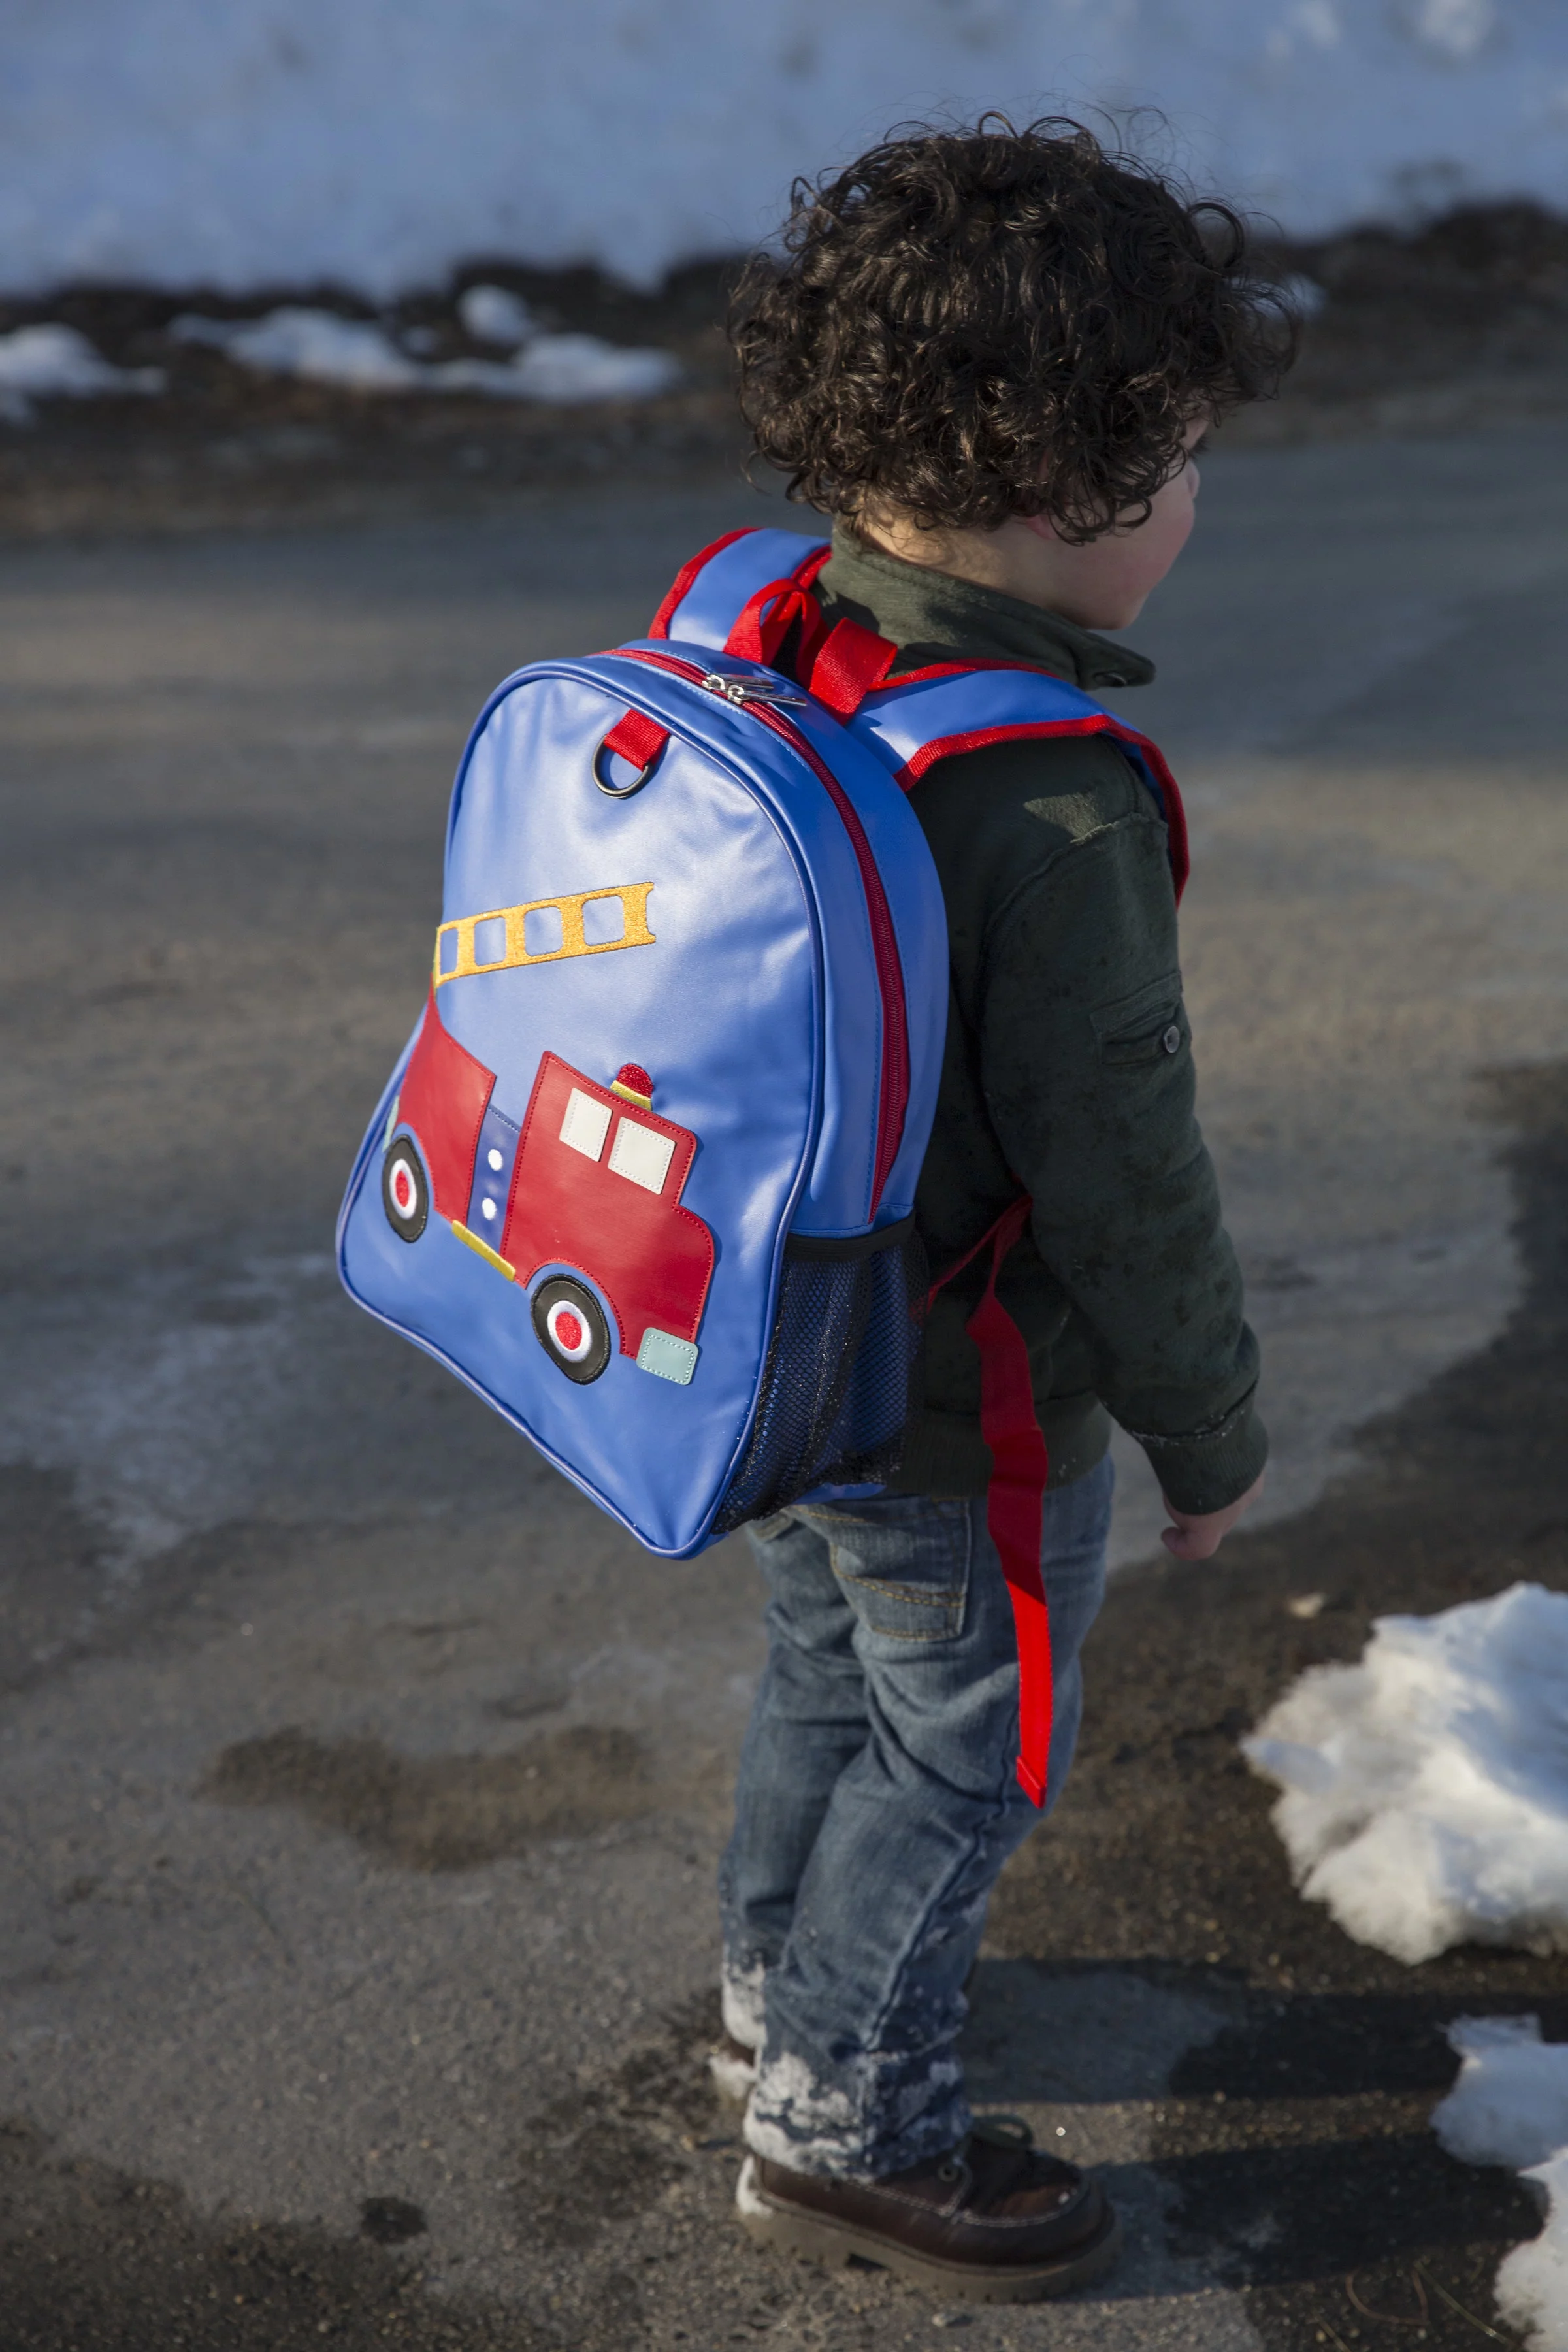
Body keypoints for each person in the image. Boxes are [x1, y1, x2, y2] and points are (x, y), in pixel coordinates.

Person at [710, 119, 1294, 2303]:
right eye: (1183, 461)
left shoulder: (771, 630)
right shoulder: (1046, 805)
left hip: (771, 1335)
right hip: (969, 1393)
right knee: (973, 1744)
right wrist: (1208, 1433)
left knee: (823, 1671)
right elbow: (1128, 1173)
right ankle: (848, 2125)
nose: (1196, 501)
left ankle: (781, 2000)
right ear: (1071, 496)